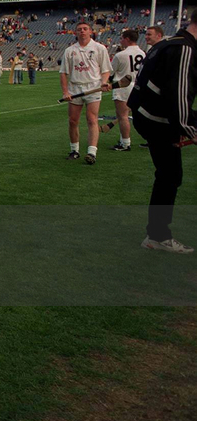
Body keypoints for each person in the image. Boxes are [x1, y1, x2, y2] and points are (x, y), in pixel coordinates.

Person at [127, 13, 196, 254]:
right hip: (157, 119)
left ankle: (157, 233)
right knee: (170, 175)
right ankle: (157, 234)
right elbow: (178, 97)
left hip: (149, 115)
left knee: (169, 175)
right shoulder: (184, 49)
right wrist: (190, 129)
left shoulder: (169, 43)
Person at [59, 22, 111, 164]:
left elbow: (106, 70)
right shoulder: (70, 50)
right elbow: (63, 73)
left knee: (92, 119)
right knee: (73, 120)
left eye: (85, 29)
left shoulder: (99, 48)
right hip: (75, 88)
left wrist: (104, 82)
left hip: (93, 87)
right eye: (79, 29)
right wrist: (65, 92)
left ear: (90, 32)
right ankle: (74, 150)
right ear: (75, 32)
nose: (82, 31)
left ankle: (91, 152)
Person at [109, 29, 143, 151]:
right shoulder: (143, 53)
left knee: (122, 115)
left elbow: (111, 72)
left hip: (123, 86)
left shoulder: (120, 55)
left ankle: (125, 143)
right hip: (138, 85)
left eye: (122, 38)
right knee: (138, 114)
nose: (120, 40)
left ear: (127, 39)